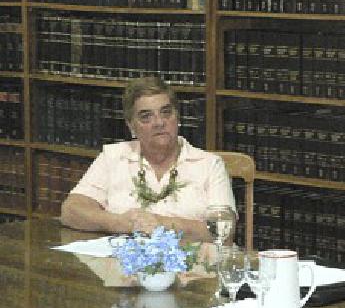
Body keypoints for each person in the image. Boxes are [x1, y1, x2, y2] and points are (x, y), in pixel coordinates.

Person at [60, 76, 235, 242]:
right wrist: (120, 223)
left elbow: (223, 232)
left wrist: (161, 224)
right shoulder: (113, 157)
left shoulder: (210, 165)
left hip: (193, 268)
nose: (159, 122)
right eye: (146, 116)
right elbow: (71, 211)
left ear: (178, 118)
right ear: (131, 126)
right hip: (124, 267)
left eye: (166, 112)